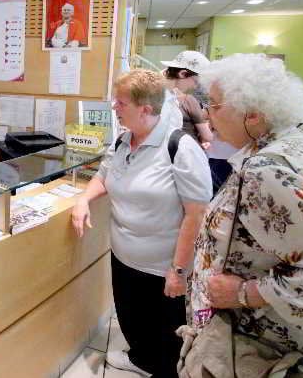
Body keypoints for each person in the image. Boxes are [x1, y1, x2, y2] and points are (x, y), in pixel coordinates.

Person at [190, 54, 303, 377]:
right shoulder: (300, 147)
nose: (207, 114)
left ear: (253, 115)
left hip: (271, 354)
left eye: (215, 106)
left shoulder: (269, 169)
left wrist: (245, 293)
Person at [71, 69, 212, 378]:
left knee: (166, 335)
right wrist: (83, 199)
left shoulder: (180, 147)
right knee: (132, 319)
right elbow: (104, 175)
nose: (114, 108)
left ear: (146, 109)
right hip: (124, 256)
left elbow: (196, 214)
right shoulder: (123, 141)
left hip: (163, 266)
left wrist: (178, 271)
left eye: (121, 103)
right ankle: (140, 360)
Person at [161, 50, 213, 149]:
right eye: (196, 82)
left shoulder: (171, 95)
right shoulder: (164, 97)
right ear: (183, 74)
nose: (194, 87)